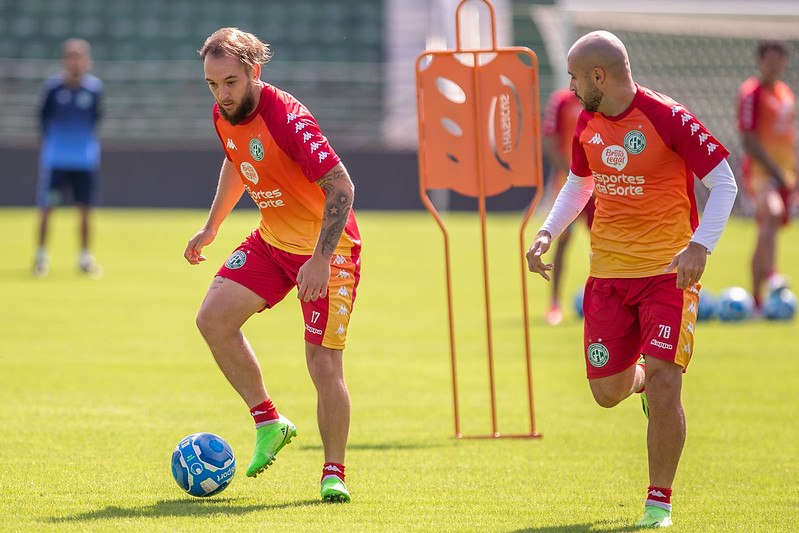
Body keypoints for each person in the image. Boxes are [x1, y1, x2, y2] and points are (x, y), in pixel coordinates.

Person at [526, 31, 737, 528]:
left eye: (577, 78)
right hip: (607, 279)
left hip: (668, 275)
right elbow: (581, 182)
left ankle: (658, 503)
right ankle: (638, 381)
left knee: (667, 382)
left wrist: (700, 246)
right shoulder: (586, 122)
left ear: (599, 75)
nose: (572, 88)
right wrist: (547, 232)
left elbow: (724, 180)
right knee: (607, 392)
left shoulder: (666, 116)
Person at [185, 27, 361, 503]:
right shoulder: (225, 116)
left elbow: (342, 188)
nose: (222, 95)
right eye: (212, 85)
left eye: (231, 83)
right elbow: (236, 161)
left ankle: (333, 472)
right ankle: (268, 420)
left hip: (330, 252)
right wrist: (213, 226)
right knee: (213, 320)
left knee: (323, 364)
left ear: (254, 72)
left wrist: (321, 260)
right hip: (272, 242)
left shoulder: (287, 117)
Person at [34, 38, 104, 278]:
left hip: (84, 160)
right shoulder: (52, 89)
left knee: (85, 210)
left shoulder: (94, 90)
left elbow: (96, 120)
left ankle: (85, 258)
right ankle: (41, 257)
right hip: (56, 161)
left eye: (80, 56)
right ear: (65, 60)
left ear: (87, 60)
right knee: (47, 208)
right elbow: (42, 121)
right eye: (72, 56)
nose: (76, 61)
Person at [738, 40, 797, 310]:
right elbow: (748, 137)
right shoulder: (751, 93)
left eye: (778, 60)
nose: (773, 65)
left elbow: (788, 138)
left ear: (784, 62)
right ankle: (772, 275)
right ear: (760, 62)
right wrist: (775, 170)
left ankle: (757, 300)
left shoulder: (786, 94)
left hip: (785, 174)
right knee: (771, 213)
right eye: (768, 60)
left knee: (766, 230)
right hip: (762, 172)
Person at [541, 87, 595, 325]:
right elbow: (551, 143)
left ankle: (604, 303)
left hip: (600, 190)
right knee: (561, 242)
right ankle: (554, 304)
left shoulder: (603, 100)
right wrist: (575, 174)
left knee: (603, 245)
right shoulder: (560, 101)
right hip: (568, 187)